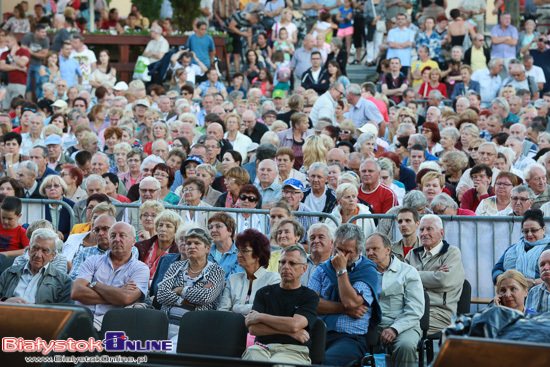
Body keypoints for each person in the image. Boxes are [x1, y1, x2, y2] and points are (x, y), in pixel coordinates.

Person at [309, 223, 381, 366]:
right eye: (338, 250)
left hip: (351, 338)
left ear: (359, 250)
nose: (342, 256)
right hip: (318, 333)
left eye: (348, 252)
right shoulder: (322, 269)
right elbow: (311, 304)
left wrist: (341, 270)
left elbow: (351, 302)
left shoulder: (368, 270)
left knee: (326, 363)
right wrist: (344, 309)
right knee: (295, 359)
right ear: (333, 245)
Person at [242, 245, 319, 365]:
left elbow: (294, 324)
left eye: (292, 263)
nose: (286, 267)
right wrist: (288, 332)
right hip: (262, 348)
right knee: (251, 356)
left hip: (293, 351)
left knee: (278, 364)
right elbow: (254, 329)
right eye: (282, 262)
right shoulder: (264, 293)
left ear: (304, 269)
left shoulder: (309, 296)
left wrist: (260, 317)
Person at [71, 222, 149, 329]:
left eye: (122, 235)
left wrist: (95, 285)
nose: (117, 239)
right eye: (112, 236)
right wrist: (118, 294)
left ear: (133, 241)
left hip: (115, 325)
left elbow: (126, 298)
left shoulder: (140, 268)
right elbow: (76, 292)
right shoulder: (92, 261)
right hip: (82, 320)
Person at [365, 232, 424, 367]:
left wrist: (394, 328)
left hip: (403, 325)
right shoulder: (364, 272)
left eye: (375, 249)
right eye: (367, 250)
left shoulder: (408, 272)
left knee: (406, 346)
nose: (370, 253)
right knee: (348, 343)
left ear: (388, 250)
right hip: (371, 325)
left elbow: (415, 309)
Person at [157, 228, 225, 340]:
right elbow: (161, 294)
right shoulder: (175, 267)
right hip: (165, 324)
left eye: (197, 243)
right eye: (188, 243)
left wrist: (180, 290)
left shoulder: (216, 271)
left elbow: (206, 297)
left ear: (208, 248)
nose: (191, 246)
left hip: (196, 328)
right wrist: (185, 300)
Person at [405, 215, 465, 335]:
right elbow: (401, 279)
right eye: (421, 230)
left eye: (429, 229)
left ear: (441, 233)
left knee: (405, 329)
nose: (424, 233)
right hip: (412, 308)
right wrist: (433, 275)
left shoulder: (452, 253)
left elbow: (443, 280)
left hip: (439, 313)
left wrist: (412, 275)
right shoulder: (413, 253)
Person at [0, 228, 71, 304]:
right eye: (35, 248)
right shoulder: (9, 273)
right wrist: (5, 301)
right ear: (29, 250)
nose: (38, 255)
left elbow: (64, 312)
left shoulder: (63, 281)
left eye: (45, 250)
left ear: (52, 256)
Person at [218, 229, 281, 314]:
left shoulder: (273, 279)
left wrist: (235, 308)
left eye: (244, 251)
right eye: (238, 251)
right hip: (232, 326)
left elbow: (267, 308)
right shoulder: (233, 279)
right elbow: (222, 311)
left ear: (258, 254)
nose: (239, 255)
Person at [493, 209, 550, 287]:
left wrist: (533, 283)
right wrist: (504, 279)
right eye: (526, 231)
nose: (529, 234)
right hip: (511, 293)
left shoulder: (548, 249)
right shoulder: (513, 249)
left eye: (534, 230)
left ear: (543, 229)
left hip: (541, 294)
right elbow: (497, 269)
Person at [135, 210, 183, 281]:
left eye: (168, 226)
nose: (163, 229)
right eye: (160, 225)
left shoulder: (179, 253)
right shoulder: (141, 246)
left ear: (176, 230)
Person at [0, 33, 30, 111]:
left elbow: (22, 63)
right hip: (6, 83)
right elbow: (2, 66)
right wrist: (18, 68)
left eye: (7, 42)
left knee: (16, 106)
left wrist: (13, 55)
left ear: (14, 41)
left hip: (19, 83)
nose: (6, 44)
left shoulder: (24, 52)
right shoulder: (4, 53)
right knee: (4, 107)